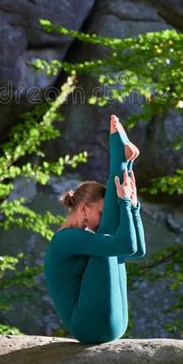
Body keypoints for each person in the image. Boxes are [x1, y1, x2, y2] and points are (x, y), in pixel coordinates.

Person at [43, 114, 146, 344]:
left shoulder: (86, 239)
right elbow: (126, 244)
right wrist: (125, 205)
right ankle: (120, 156)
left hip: (115, 323)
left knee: (111, 247)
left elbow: (138, 251)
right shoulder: (65, 240)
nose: (102, 219)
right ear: (82, 209)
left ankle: (124, 161)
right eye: (100, 213)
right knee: (109, 240)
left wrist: (133, 204)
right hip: (90, 327)